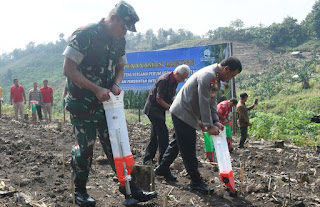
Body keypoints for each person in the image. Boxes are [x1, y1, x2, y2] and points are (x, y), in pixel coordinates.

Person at [62, 1, 157, 206]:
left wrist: (115, 84)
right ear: (113, 18)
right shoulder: (85, 34)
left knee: (117, 145)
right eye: (124, 26)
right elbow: (69, 69)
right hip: (82, 103)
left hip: (106, 104)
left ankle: (129, 188)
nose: (125, 32)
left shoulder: (119, 40)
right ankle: (79, 190)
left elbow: (120, 68)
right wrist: (96, 89)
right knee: (85, 148)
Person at [155, 56, 242, 194]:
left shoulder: (216, 78)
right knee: (188, 148)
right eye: (232, 75)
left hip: (186, 113)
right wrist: (208, 125)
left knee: (178, 142)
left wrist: (215, 121)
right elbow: (203, 101)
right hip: (183, 114)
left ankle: (162, 168)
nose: (230, 78)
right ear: (226, 69)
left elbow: (212, 101)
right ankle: (196, 182)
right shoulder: (209, 76)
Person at [143, 65, 190, 165]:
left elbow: (170, 96)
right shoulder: (164, 80)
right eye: (182, 78)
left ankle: (148, 159)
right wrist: (171, 109)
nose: (182, 80)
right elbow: (159, 99)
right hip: (153, 109)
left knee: (155, 135)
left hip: (160, 110)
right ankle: (163, 164)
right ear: (176, 74)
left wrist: (177, 104)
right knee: (163, 135)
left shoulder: (175, 82)